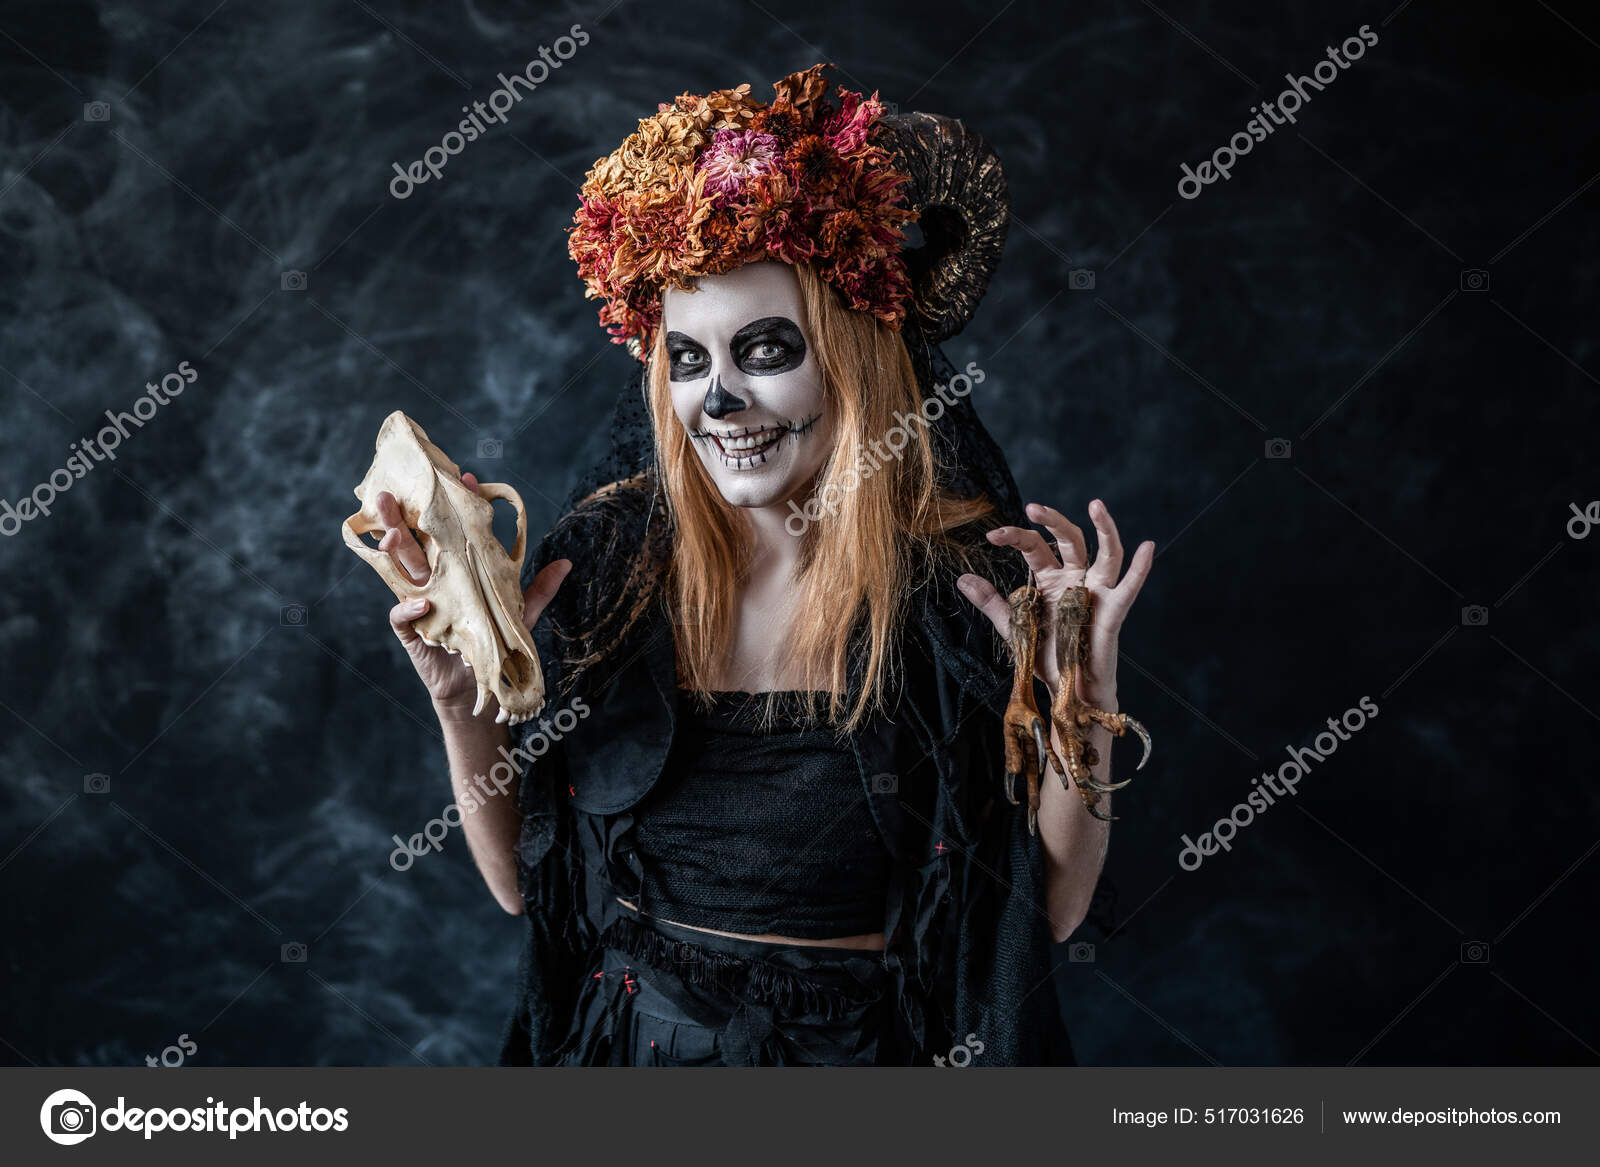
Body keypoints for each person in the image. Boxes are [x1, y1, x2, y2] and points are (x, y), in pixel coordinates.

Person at [370, 63, 1154, 1065]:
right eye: (688, 361)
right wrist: (457, 698)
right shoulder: (609, 565)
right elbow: (525, 887)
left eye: (766, 350)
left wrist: (1077, 696)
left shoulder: (963, 593)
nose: (718, 401)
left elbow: (1046, 910)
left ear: (853, 361)